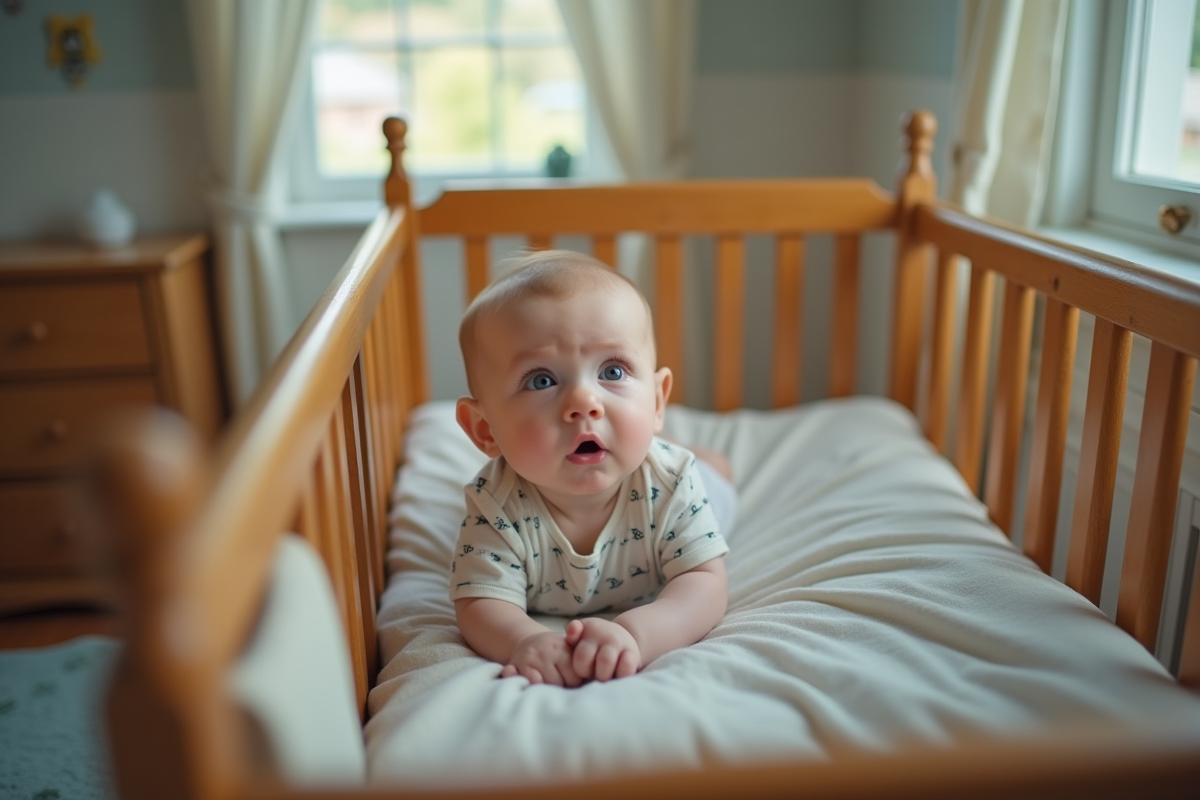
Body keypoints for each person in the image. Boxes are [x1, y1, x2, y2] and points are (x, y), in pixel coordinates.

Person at [451, 249, 734, 688]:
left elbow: (704, 582)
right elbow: (479, 602)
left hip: (699, 492)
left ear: (657, 401)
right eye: (542, 380)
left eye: (613, 371)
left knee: (714, 471)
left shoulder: (675, 481)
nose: (585, 401)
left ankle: (702, 457)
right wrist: (525, 640)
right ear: (485, 429)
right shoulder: (495, 505)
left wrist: (636, 633)